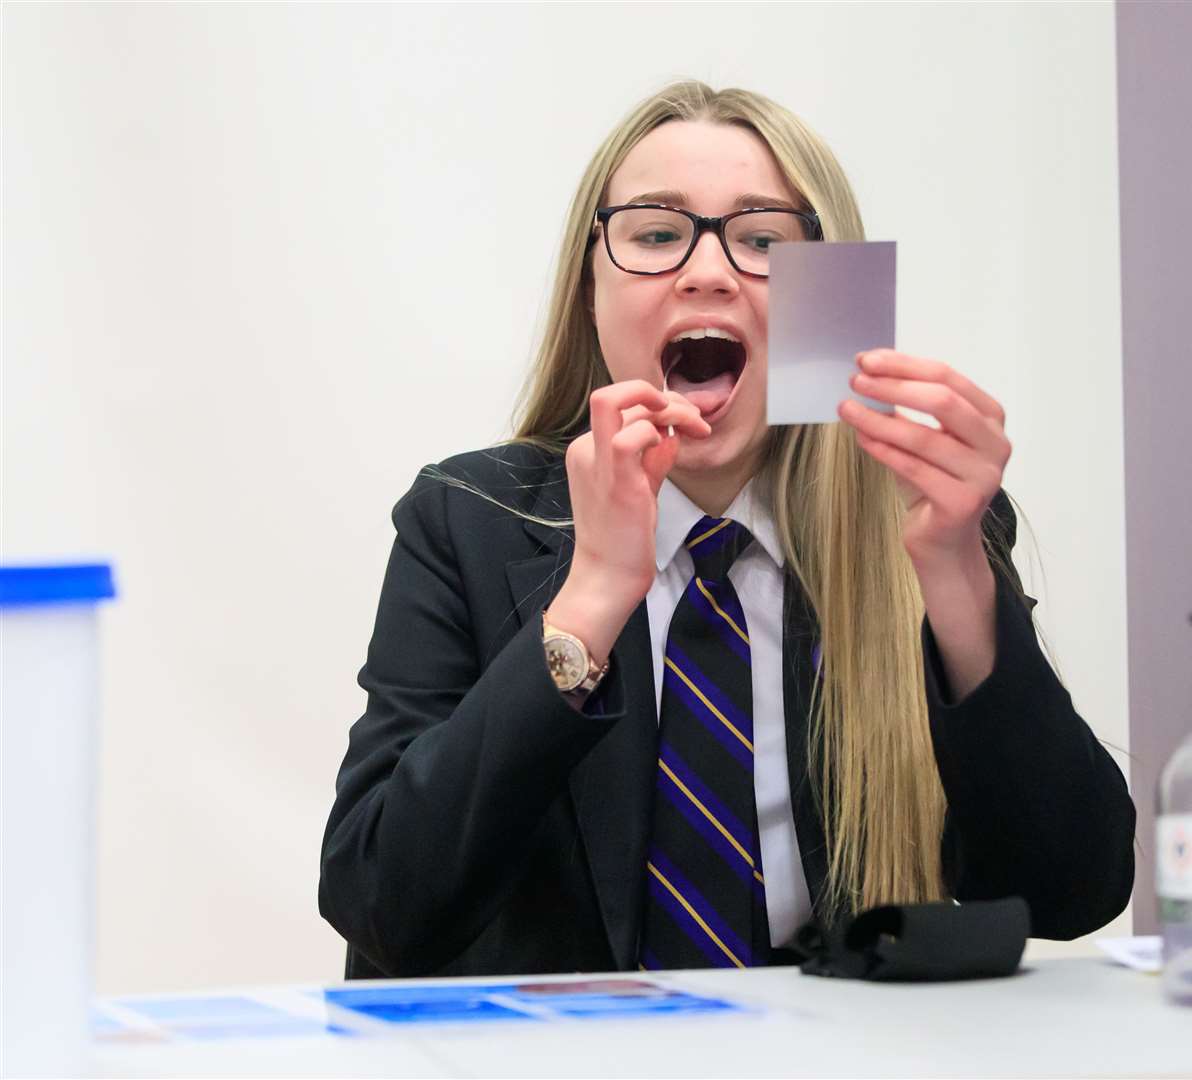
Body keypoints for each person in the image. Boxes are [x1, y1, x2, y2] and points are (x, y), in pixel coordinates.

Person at [319, 81, 1134, 979]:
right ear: (591, 291)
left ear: (831, 304)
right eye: (658, 234)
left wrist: (959, 591)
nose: (706, 272)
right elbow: (382, 903)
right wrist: (590, 600)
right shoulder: (468, 519)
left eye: (762, 241)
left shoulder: (921, 528)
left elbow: (1073, 891)